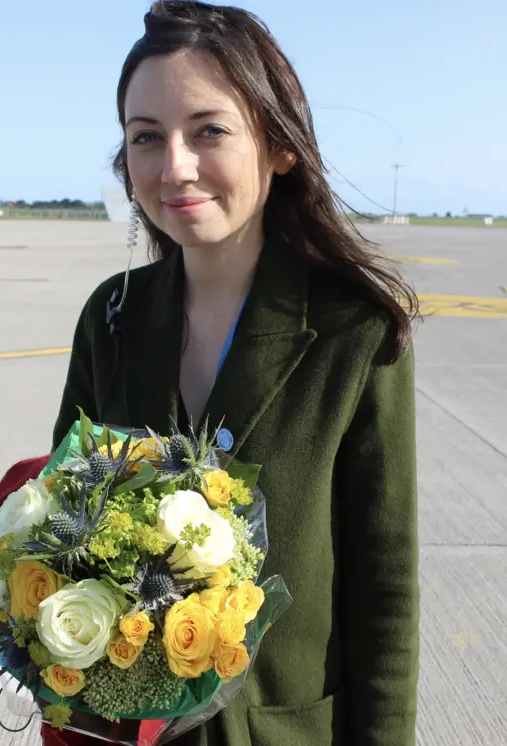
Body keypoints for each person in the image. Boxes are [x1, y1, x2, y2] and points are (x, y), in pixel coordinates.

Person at [37, 2, 422, 744]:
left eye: (208, 131)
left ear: (278, 145)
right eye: (146, 138)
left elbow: (386, 589)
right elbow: (62, 537)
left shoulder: (354, 334)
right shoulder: (109, 320)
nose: (174, 166)